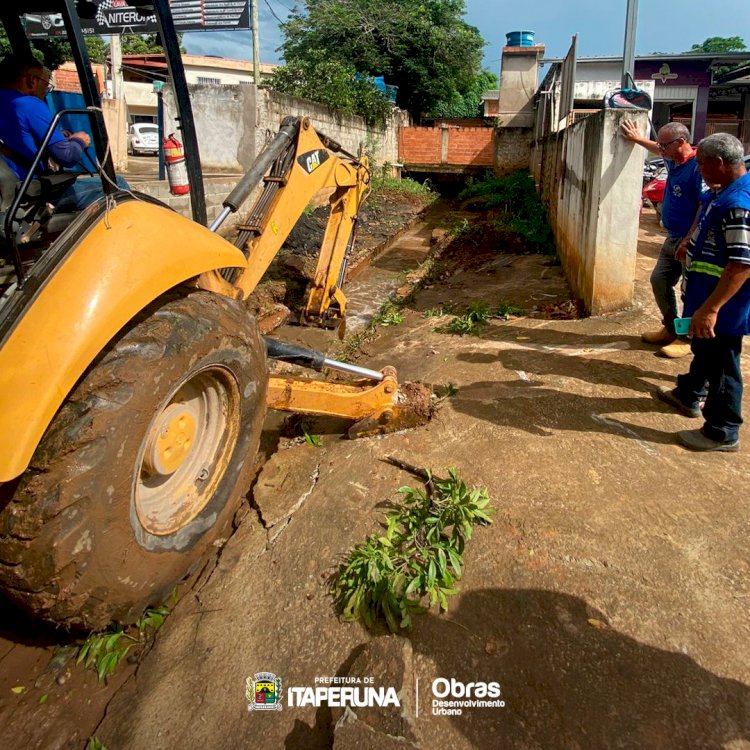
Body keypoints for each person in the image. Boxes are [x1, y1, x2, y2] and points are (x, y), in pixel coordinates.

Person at [654, 133, 750, 452]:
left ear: (719, 163)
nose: (701, 172)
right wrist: (689, 242)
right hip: (703, 294)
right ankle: (689, 393)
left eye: (703, 166)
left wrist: (711, 309)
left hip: (722, 305)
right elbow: (705, 219)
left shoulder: (738, 205)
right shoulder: (721, 193)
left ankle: (722, 431)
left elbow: (741, 265)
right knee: (704, 350)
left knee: (722, 363)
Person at [0, 54, 127, 212]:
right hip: (28, 194)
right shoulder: (29, 104)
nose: (45, 91)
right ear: (31, 81)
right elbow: (67, 156)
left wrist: (56, 136)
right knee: (118, 184)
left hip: (7, 192)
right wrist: (80, 141)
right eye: (45, 85)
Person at [621, 120, 704, 358]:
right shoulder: (673, 159)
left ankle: (686, 338)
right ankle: (671, 327)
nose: (661, 149)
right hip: (671, 238)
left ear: (681, 142)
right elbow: (657, 149)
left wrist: (689, 239)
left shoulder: (698, 167)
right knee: (659, 280)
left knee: (690, 290)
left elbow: (702, 205)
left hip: (690, 242)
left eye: (664, 145)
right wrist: (637, 139)